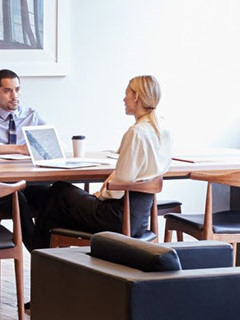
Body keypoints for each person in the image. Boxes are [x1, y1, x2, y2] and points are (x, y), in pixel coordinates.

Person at [27, 75, 173, 250]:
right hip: (139, 220)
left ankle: (41, 255)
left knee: (58, 190)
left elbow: (122, 180)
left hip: (117, 218)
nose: (124, 99)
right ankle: (50, 256)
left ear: (136, 97)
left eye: (126, 93)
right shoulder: (162, 128)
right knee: (58, 205)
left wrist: (101, 194)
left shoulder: (136, 132)